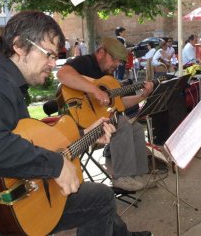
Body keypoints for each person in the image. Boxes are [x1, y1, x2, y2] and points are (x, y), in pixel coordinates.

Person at [0, 11, 151, 235]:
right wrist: (55, 166)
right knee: (101, 199)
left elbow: (28, 139)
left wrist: (85, 133)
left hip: (18, 200)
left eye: (56, 56)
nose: (53, 63)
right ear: (18, 45)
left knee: (100, 198)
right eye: (48, 54)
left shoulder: (7, 84)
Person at [57, 36, 153, 191]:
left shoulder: (108, 76)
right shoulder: (85, 62)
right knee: (121, 122)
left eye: (120, 61)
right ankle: (121, 177)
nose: (117, 64)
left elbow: (120, 103)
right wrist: (94, 90)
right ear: (101, 52)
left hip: (101, 121)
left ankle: (137, 175)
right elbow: (62, 74)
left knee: (133, 126)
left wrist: (142, 96)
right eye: (114, 59)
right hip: (78, 121)